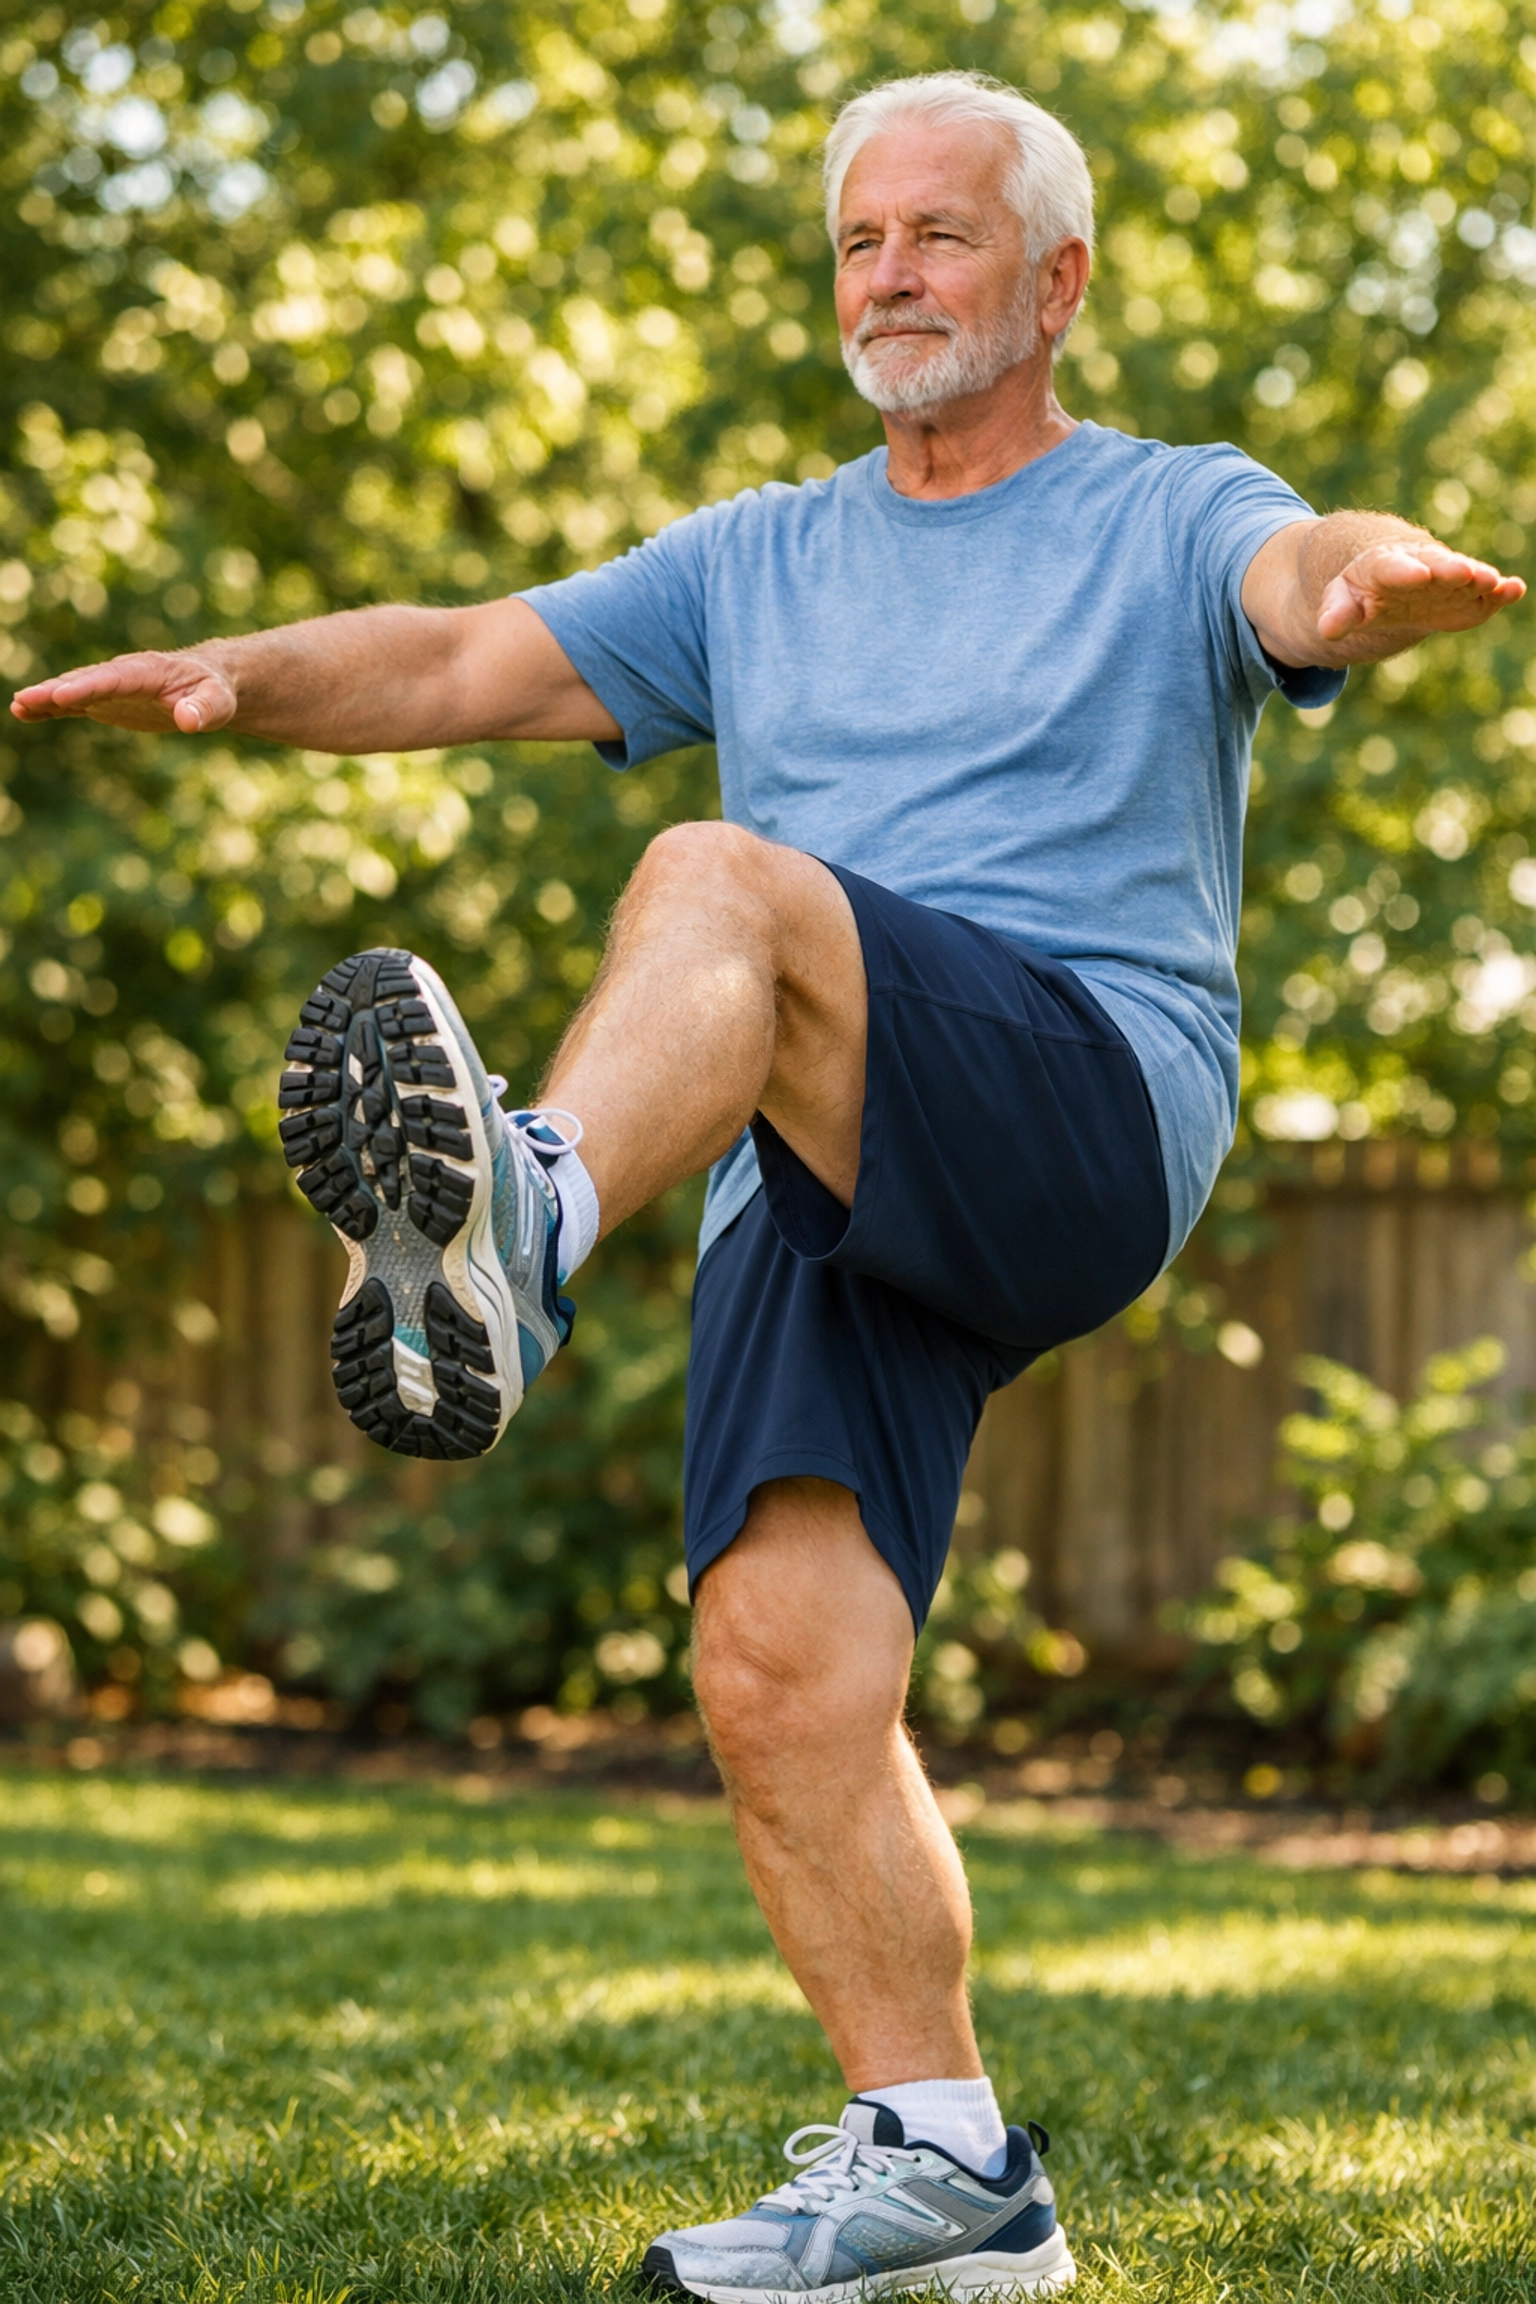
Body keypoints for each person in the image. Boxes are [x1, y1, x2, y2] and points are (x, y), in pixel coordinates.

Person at [13, 66, 1524, 2302]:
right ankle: (948, 2164)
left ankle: (522, 1223)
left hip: (1076, 1097)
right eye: (859, 240)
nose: (890, 274)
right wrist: (243, 673)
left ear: (1057, 279)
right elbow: (454, 656)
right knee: (775, 1665)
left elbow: (1289, 578)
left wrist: (1362, 581)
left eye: (940, 235)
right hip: (822, 1147)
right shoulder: (759, 555)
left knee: (727, 875)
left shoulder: (1165, 505)